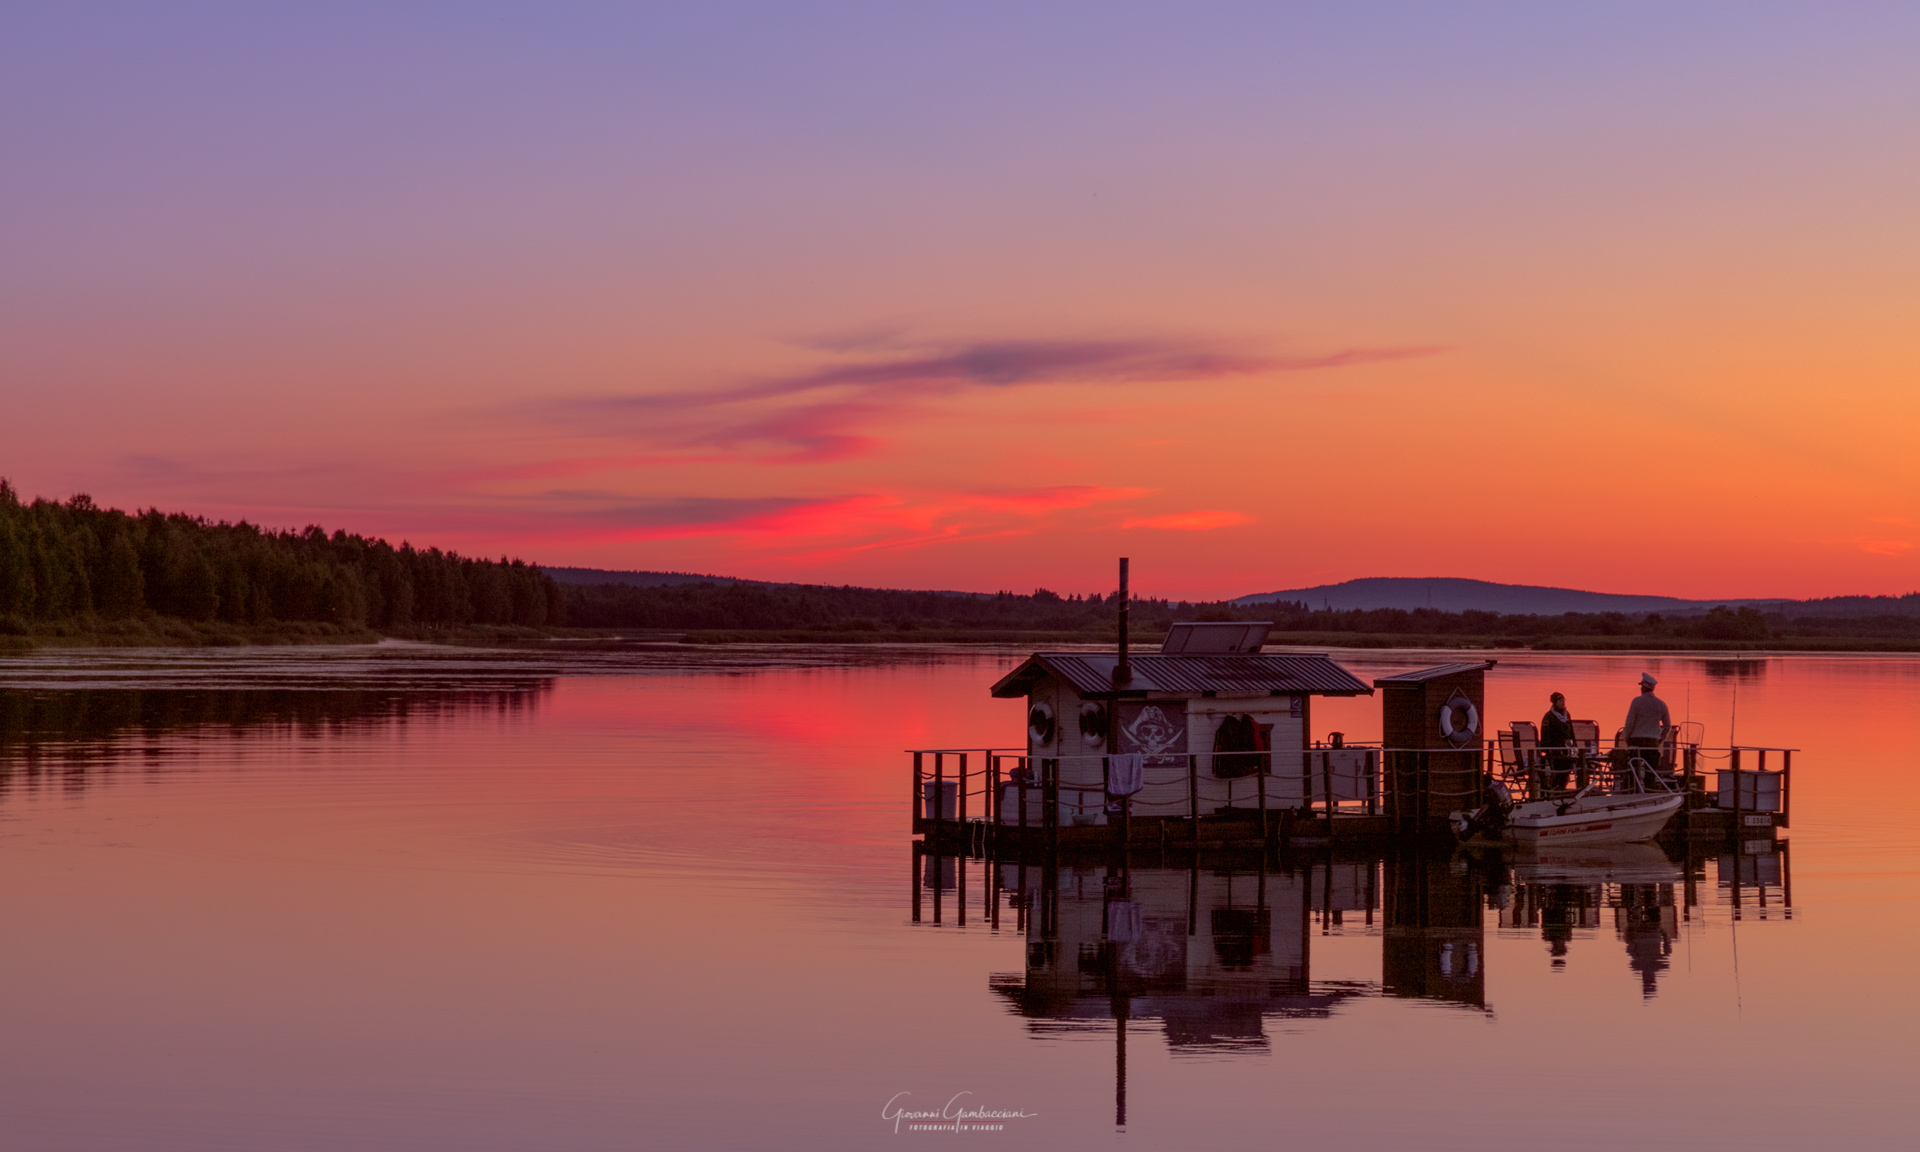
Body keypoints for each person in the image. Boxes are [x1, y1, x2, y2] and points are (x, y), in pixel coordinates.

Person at [1622, 673, 1672, 789]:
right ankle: (1649, 791)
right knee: (1651, 772)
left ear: (1643, 687)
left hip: (1636, 741)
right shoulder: (1661, 704)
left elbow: (1629, 723)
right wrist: (1661, 739)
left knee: (1632, 770)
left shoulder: (1636, 702)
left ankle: (1631, 790)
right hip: (1653, 743)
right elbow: (1667, 726)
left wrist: (1627, 737)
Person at [1539, 692, 1577, 792]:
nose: (1563, 702)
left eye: (1564, 700)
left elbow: (1571, 731)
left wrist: (1574, 745)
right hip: (1554, 750)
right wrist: (1552, 748)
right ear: (1555, 702)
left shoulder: (1567, 715)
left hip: (1567, 750)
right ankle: (1556, 789)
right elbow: (1545, 736)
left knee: (1572, 762)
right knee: (1559, 766)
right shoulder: (1549, 716)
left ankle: (1564, 787)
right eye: (1560, 700)